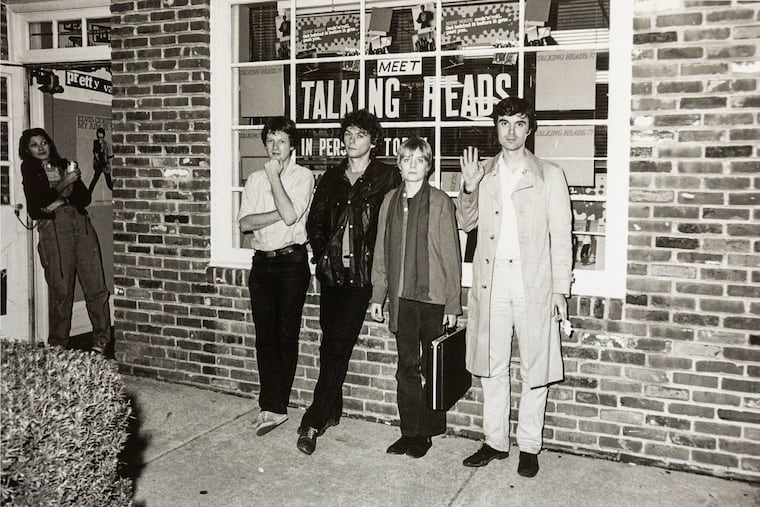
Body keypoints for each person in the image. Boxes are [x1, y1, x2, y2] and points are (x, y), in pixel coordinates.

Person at [457, 97, 572, 477]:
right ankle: (494, 441)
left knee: (535, 366)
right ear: (496, 128)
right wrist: (469, 188)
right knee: (492, 365)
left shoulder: (549, 174)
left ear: (529, 128)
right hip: (491, 280)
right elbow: (466, 222)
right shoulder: (482, 171)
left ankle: (529, 445)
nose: (510, 131)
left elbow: (561, 236)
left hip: (533, 282)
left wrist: (559, 291)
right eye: (503, 123)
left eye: (518, 123)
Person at [297, 109, 401, 455]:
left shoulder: (387, 177)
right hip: (332, 275)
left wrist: (382, 276)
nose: (351, 140)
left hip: (362, 278)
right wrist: (321, 251)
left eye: (359, 134)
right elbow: (315, 221)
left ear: (374, 140)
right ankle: (333, 410)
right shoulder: (331, 178)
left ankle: (313, 419)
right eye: (347, 134)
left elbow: (391, 228)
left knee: (338, 343)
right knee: (330, 342)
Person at [370, 137, 462, 459]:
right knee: (407, 367)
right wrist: (377, 296)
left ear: (428, 165)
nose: (412, 165)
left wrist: (453, 303)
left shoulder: (440, 202)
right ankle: (409, 431)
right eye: (407, 159)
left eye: (419, 160)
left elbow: (451, 255)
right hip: (402, 298)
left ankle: (426, 432)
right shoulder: (389, 201)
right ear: (399, 164)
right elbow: (381, 252)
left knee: (432, 368)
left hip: (433, 298)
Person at [238, 117, 314, 436]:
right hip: (262, 263)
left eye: (281, 141)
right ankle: (270, 403)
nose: (274, 147)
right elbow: (244, 223)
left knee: (286, 335)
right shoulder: (255, 179)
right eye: (270, 140)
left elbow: (291, 214)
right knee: (265, 337)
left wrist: (274, 180)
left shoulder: (303, 176)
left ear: (292, 145)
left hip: (291, 262)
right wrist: (272, 217)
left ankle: (275, 406)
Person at [19, 128, 112, 353]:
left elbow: (84, 198)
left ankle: (102, 339)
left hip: (80, 223)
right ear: (27, 150)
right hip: (55, 229)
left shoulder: (63, 164)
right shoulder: (30, 170)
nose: (41, 148)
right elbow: (36, 207)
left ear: (50, 144)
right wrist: (63, 184)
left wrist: (68, 184)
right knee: (62, 289)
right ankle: (58, 345)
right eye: (34, 144)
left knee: (96, 285)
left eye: (44, 142)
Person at [89, 127, 113, 193]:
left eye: (101, 137)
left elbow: (109, 156)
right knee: (94, 181)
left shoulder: (106, 144)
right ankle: (87, 196)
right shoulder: (96, 142)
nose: (100, 139)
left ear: (103, 137)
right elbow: (95, 153)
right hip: (98, 165)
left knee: (109, 184)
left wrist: (109, 164)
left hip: (105, 165)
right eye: (98, 137)